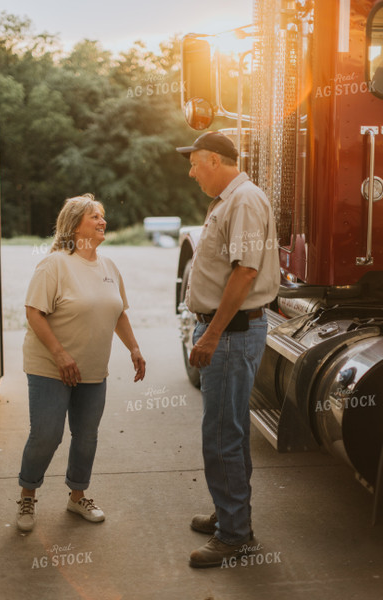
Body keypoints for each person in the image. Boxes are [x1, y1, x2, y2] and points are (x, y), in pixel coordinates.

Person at [176, 131, 280, 568]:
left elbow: (245, 273)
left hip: (233, 335)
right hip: (231, 333)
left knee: (221, 434)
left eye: (196, 162)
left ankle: (235, 535)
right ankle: (229, 513)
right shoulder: (230, 200)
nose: (191, 171)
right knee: (228, 430)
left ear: (216, 161)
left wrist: (212, 333)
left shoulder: (243, 201)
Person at [16, 194, 146, 532]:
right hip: (50, 366)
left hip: (92, 368)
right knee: (47, 434)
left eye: (103, 216)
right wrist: (60, 354)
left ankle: (77, 497)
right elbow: (33, 312)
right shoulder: (54, 264)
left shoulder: (108, 267)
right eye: (94, 217)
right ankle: (28, 495)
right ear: (75, 225)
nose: (103, 222)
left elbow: (118, 313)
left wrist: (133, 348)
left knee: (86, 436)